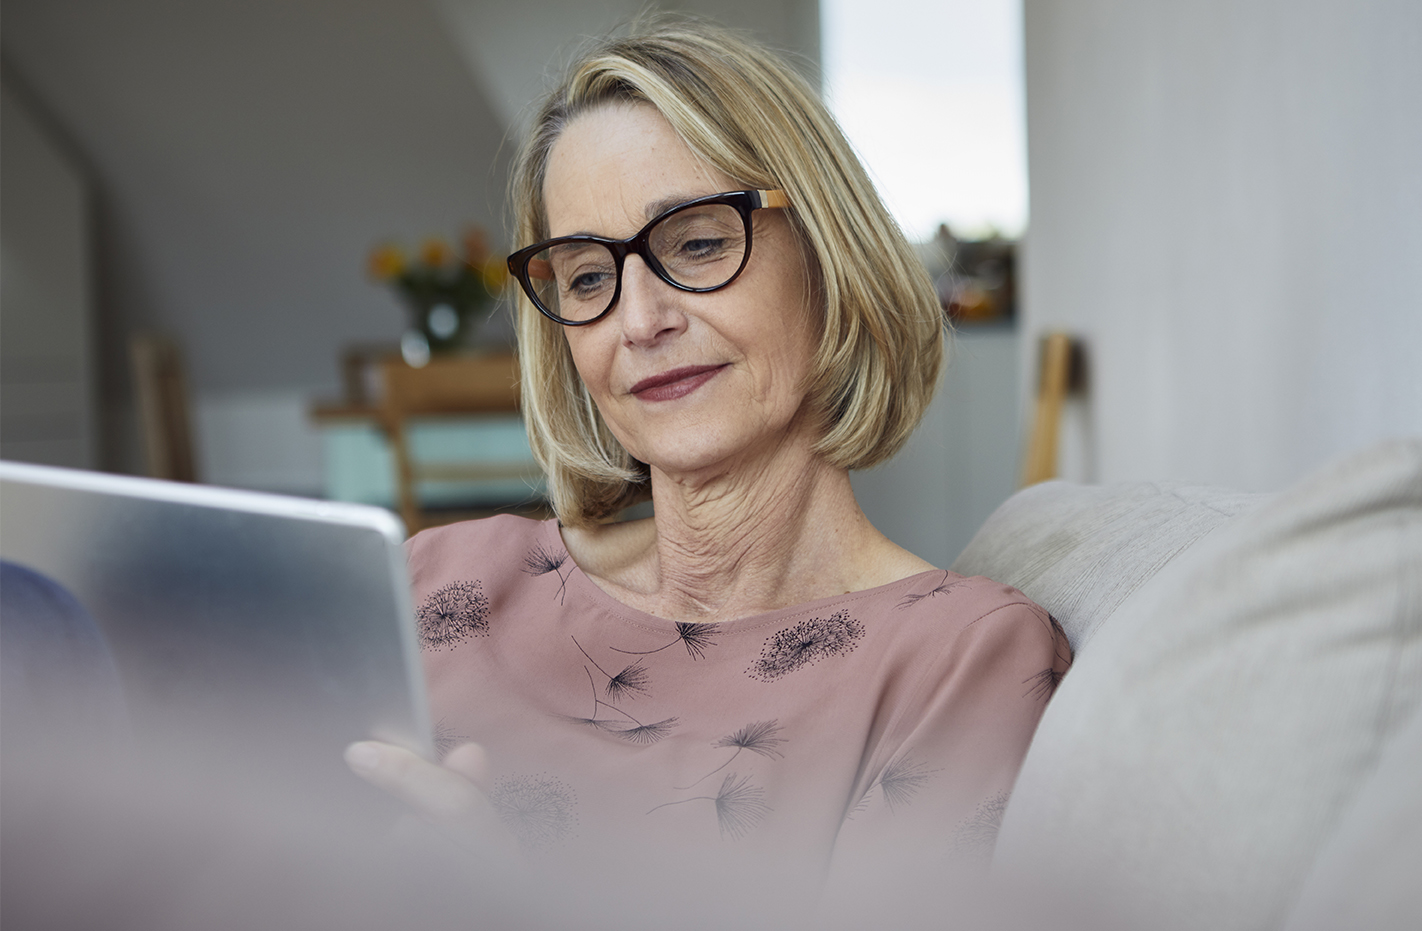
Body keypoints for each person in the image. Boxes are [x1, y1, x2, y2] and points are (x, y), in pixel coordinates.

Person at [346, 21, 1071, 879]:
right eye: (586, 276)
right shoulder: (437, 581)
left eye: (696, 244)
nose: (639, 320)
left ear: (829, 256)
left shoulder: (963, 658)